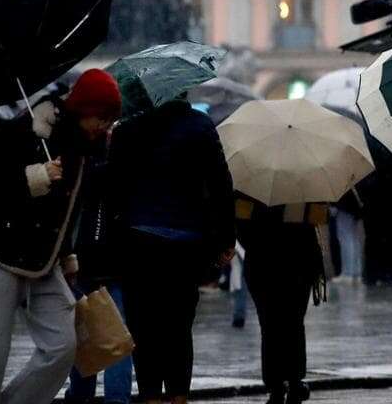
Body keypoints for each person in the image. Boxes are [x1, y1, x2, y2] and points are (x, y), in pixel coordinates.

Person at [0, 69, 120, 404]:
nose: (105, 125)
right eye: (102, 117)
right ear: (84, 109)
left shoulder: (88, 149)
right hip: (1, 252)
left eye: (110, 119)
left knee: (63, 344)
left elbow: (71, 206)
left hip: (46, 259)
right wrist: (35, 176)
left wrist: (68, 256)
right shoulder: (28, 131)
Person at [109, 96, 236, 404]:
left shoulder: (128, 129)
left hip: (139, 240)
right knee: (179, 325)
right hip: (187, 241)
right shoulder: (200, 125)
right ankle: (179, 396)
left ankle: (151, 396)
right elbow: (221, 184)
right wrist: (226, 238)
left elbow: (114, 187)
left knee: (143, 325)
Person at [64, 122, 132, 404]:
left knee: (84, 332)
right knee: (117, 336)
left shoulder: (85, 169)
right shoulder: (129, 172)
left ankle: (80, 395)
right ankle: (116, 399)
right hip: (117, 262)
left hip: (86, 261)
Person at [237, 197, 329, 404]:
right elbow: (320, 217)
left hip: (263, 262)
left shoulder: (251, 184)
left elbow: (240, 224)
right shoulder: (308, 183)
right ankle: (295, 382)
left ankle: (276, 386)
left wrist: (261, 239)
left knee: (269, 325)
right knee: (294, 323)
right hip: (299, 260)